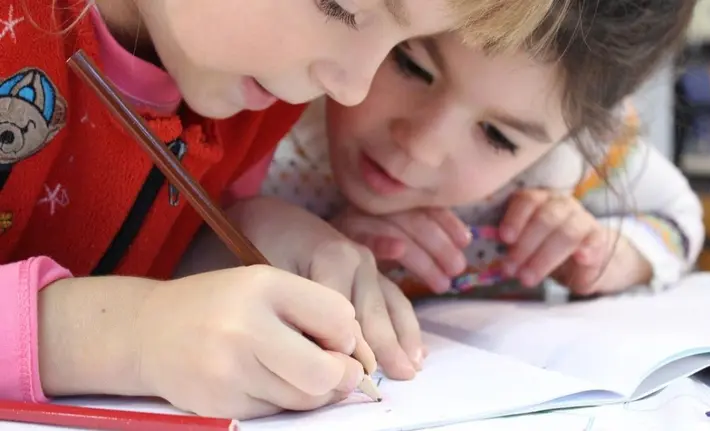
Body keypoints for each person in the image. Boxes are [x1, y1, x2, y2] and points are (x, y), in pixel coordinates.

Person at [0, 0, 560, 420]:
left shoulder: (251, 95)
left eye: (398, 47)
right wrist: (129, 336)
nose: (350, 89)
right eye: (342, 5)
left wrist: (231, 236)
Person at [258, 1, 703, 303]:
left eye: (498, 137)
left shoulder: (567, 165)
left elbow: (679, 217)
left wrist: (613, 254)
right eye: (410, 65)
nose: (421, 147)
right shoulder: (267, 108)